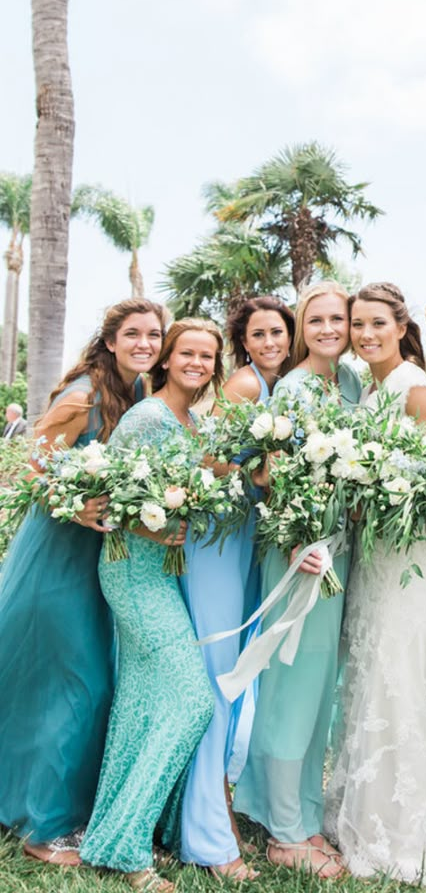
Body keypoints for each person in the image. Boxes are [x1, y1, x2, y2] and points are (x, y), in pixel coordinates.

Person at [0, 298, 165, 866]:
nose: (145, 343)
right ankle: (46, 828)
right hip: (57, 557)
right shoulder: (81, 399)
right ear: (111, 340)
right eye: (134, 334)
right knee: (80, 683)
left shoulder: (141, 396)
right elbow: (29, 474)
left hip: (106, 561)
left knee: (80, 680)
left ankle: (48, 800)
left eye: (153, 335)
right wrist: (75, 510)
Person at [80, 320, 225, 892]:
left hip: (167, 577)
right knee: (192, 700)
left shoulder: (194, 421)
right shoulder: (147, 418)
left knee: (141, 705)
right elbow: (110, 502)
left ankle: (119, 833)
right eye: (187, 353)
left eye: (208, 356)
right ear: (166, 359)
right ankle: (123, 845)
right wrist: (154, 529)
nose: (198, 362)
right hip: (132, 575)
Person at [234, 280, 361, 879]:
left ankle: (295, 808)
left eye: (339, 318)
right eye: (318, 320)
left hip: (341, 546)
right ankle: (285, 828)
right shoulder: (295, 387)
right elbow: (278, 471)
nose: (330, 329)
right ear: (302, 326)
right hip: (302, 549)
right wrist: (293, 544)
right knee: (293, 686)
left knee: (319, 692)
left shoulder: (353, 381)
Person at [325, 282, 426, 885]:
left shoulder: (416, 390)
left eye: (377, 323)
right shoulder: (367, 390)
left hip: (409, 558)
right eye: (357, 325)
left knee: (400, 678)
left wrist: (382, 494)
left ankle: (404, 834)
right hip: (373, 557)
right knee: (369, 674)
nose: (365, 334)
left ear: (401, 327)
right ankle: (360, 812)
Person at [177, 295, 294, 877]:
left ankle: (217, 804)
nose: (270, 342)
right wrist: (259, 471)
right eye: (258, 334)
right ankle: (206, 840)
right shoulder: (246, 388)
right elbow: (208, 462)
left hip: (248, 538)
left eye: (278, 331)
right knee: (218, 675)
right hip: (217, 540)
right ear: (243, 343)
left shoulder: (283, 387)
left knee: (237, 677)